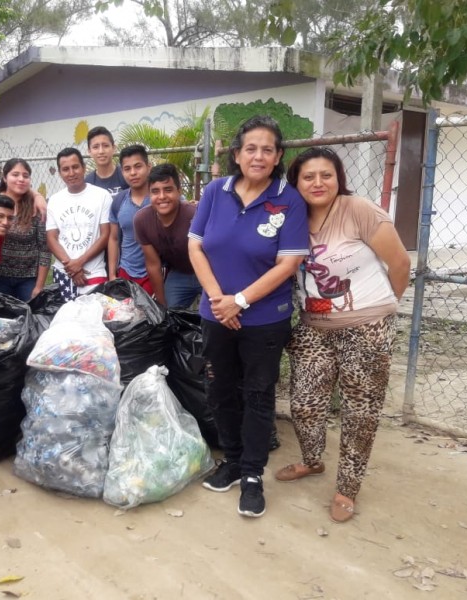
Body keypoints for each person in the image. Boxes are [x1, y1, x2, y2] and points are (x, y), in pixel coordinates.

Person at [275, 147, 411, 523]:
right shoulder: (292, 217)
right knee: (303, 403)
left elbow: (400, 263)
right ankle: (312, 460)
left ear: (339, 179)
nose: (318, 183)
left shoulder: (359, 210)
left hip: (366, 328)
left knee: (359, 412)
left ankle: (347, 488)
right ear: (296, 183)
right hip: (313, 328)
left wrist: (379, 308)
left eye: (326, 175)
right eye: (308, 176)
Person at [188, 115, 309, 518]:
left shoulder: (288, 199)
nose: (259, 155)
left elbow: (288, 263)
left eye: (268, 149)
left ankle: (254, 473)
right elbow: (196, 248)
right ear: (237, 154)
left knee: (258, 394)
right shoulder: (214, 192)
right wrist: (219, 299)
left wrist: (239, 301)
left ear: (278, 157)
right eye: (251, 148)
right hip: (215, 312)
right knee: (220, 390)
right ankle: (234, 460)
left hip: (263, 319)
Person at [46, 147, 113, 302]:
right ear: (60, 173)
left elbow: (105, 235)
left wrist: (79, 262)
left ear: (83, 167)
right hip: (64, 274)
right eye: (65, 169)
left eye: (75, 167)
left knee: (95, 321)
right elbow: (51, 238)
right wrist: (72, 268)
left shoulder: (102, 196)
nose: (71, 173)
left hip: (94, 272)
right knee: (66, 322)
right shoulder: (55, 200)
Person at [134, 163, 201, 308]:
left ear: (179, 191)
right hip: (179, 273)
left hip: (207, 270)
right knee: (168, 315)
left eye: (168, 190)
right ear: (149, 194)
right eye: (155, 191)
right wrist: (161, 303)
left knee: (214, 318)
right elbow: (153, 264)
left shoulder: (195, 215)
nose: (162, 197)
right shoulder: (142, 220)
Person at [0, 159, 51, 302]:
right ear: (5, 178)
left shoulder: (36, 207)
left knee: (31, 315)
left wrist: (39, 286)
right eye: (15, 174)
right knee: (3, 318)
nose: (21, 179)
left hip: (28, 277)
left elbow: (44, 249)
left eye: (25, 176)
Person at [107, 144, 152, 292]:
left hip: (154, 273)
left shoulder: (161, 198)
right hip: (125, 272)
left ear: (149, 167)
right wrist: (113, 274)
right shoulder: (119, 201)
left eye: (138, 166)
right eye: (127, 169)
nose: (133, 173)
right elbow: (113, 238)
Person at [85, 126, 128, 194]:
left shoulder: (125, 174)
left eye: (105, 146)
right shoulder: (88, 182)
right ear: (89, 151)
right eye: (95, 147)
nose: (101, 151)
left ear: (114, 148)